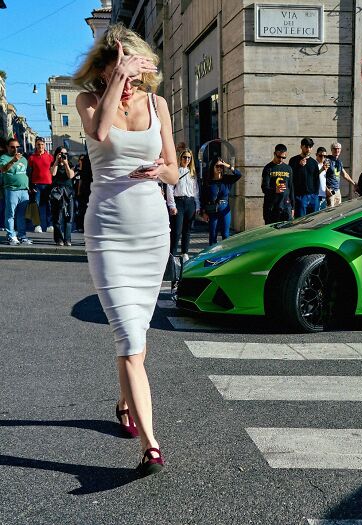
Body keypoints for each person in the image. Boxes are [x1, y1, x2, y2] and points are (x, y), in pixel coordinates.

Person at [75, 23, 180, 476]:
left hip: (152, 231)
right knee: (130, 339)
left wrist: (160, 172)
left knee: (135, 338)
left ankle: (124, 403)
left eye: (138, 72)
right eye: (124, 70)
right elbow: (99, 135)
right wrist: (118, 76)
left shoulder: (157, 104)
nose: (133, 81)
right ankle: (152, 447)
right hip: (108, 234)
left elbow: (177, 170)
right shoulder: (89, 102)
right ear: (107, 67)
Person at [167, 148, 200, 258]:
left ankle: (184, 253)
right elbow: (170, 188)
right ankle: (172, 255)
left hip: (190, 203)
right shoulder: (176, 171)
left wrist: (197, 206)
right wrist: (172, 205)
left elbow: (196, 191)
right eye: (184, 157)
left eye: (189, 158)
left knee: (187, 231)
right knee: (176, 231)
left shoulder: (192, 173)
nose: (186, 159)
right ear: (180, 158)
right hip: (179, 202)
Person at [0, 138, 32, 245]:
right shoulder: (4, 157)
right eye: (12, 147)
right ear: (7, 147)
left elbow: (25, 173)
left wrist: (29, 186)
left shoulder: (23, 159)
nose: (15, 149)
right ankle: (11, 236)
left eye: (17, 147)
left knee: (21, 215)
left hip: (24, 190)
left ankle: (22, 236)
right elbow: (3, 169)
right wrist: (13, 160)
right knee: (10, 214)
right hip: (11, 190)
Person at [202, 157, 240, 245]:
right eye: (217, 166)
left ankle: (225, 256)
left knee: (225, 234)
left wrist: (227, 165)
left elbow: (238, 175)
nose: (219, 168)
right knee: (213, 235)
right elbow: (203, 197)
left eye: (221, 166)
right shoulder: (208, 181)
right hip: (212, 210)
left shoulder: (226, 179)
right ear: (212, 167)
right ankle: (212, 257)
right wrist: (203, 212)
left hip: (225, 209)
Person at [49, 146, 75, 246]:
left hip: (68, 193)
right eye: (61, 153)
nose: (63, 155)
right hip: (57, 193)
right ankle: (59, 239)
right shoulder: (53, 164)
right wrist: (56, 161)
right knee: (57, 217)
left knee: (69, 217)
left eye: (65, 154)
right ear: (57, 154)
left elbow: (71, 176)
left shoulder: (70, 164)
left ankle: (67, 239)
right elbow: (53, 173)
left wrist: (66, 164)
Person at [261, 144, 294, 224]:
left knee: (286, 230)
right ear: (274, 154)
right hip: (272, 206)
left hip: (286, 206)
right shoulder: (268, 168)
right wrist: (275, 190)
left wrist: (292, 207)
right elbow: (264, 188)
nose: (281, 159)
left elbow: (291, 188)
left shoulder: (288, 168)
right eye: (279, 157)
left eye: (283, 157)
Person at [27, 137, 54, 232]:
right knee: (36, 205)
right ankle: (37, 225)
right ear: (35, 145)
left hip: (48, 185)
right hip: (36, 184)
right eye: (38, 144)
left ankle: (49, 225)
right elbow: (29, 173)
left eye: (42, 144)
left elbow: (54, 171)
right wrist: (30, 186)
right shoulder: (31, 158)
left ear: (45, 145)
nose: (40, 146)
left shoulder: (50, 157)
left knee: (49, 205)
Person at [289, 137, 320, 217]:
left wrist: (315, 194)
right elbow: (290, 177)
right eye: (306, 147)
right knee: (300, 221)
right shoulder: (293, 160)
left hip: (313, 196)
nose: (308, 149)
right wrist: (299, 166)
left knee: (313, 220)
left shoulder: (314, 163)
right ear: (301, 147)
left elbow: (316, 179)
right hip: (300, 196)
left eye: (310, 147)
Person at [325, 141, 355, 207]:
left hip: (337, 190)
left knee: (338, 212)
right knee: (329, 212)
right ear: (331, 150)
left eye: (338, 148)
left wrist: (354, 184)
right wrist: (326, 189)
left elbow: (344, 174)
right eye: (335, 149)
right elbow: (322, 176)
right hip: (330, 190)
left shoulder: (339, 162)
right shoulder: (327, 160)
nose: (337, 150)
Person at [75, 154, 94, 232]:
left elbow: (81, 178)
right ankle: (82, 226)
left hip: (86, 187)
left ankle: (82, 226)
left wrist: (79, 190)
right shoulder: (89, 159)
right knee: (83, 208)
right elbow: (81, 178)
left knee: (83, 208)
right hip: (89, 187)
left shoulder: (86, 160)